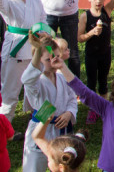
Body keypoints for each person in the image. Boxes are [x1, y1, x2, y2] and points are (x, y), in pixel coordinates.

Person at [22, 34, 77, 171]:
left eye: (57, 56)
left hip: (61, 128)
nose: (53, 61)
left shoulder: (61, 77)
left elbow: (72, 98)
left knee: (62, 166)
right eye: (48, 59)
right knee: (34, 167)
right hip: (41, 126)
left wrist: (69, 113)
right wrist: (39, 49)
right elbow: (27, 79)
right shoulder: (36, 81)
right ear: (38, 60)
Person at [0, 0, 46, 128]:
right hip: (16, 49)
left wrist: (44, 32)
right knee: (10, 91)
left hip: (36, 48)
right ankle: (4, 128)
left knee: (41, 85)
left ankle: (44, 123)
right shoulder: (7, 2)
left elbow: (42, 18)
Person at [77, 0, 114, 124]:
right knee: (91, 82)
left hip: (105, 53)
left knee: (103, 82)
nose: (98, 1)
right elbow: (79, 38)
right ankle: (92, 109)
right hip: (91, 55)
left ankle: (102, 108)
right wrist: (91, 33)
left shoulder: (106, 11)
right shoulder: (85, 16)